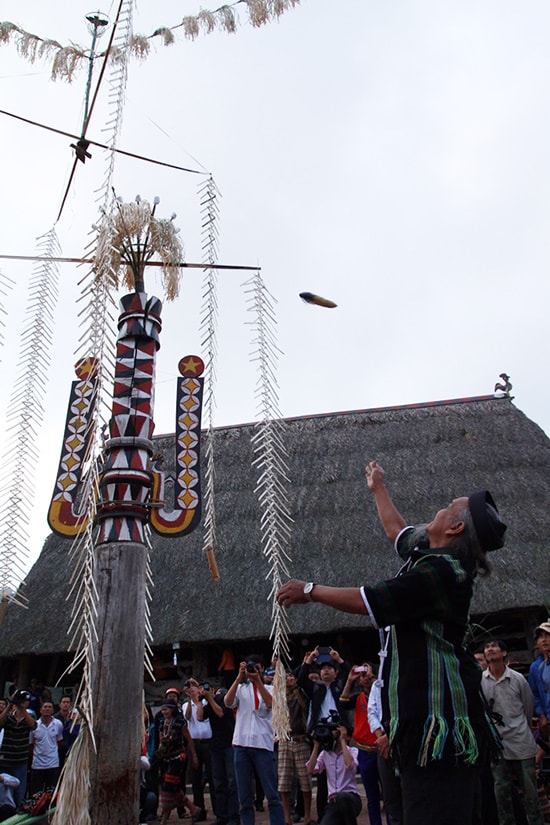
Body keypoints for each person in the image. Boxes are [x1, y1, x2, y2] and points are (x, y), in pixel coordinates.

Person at [277, 459, 507, 825]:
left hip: (438, 725)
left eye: (450, 505)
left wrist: (310, 590)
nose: (443, 505)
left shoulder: (442, 572)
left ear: (455, 527)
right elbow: (397, 533)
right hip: (427, 725)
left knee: (435, 812)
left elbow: (371, 600)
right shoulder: (431, 555)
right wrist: (378, 487)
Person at [482, 639, 544, 825]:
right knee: (502, 792)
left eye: (494, 646)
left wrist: (522, 728)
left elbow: (527, 706)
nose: (490, 649)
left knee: (530, 792)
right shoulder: (482, 681)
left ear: (504, 653)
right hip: (498, 743)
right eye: (487, 647)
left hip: (520, 739)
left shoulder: (517, 679)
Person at [224, 657, 285, 825]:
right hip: (241, 743)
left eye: (256, 668)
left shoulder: (271, 688)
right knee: (244, 795)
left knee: (272, 793)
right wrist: (238, 678)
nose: (253, 671)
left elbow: (272, 704)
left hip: (262, 744)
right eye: (250, 668)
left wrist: (257, 681)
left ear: (263, 669)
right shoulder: (241, 689)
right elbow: (228, 702)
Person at [297, 646, 350, 821]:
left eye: (329, 668)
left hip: (339, 732)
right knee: (321, 780)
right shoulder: (315, 689)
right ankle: (323, 817)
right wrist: (310, 659)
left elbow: (351, 675)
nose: (326, 671)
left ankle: (342, 814)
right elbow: (300, 679)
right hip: (321, 732)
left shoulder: (341, 687)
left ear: (335, 673)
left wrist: (339, 659)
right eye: (323, 669)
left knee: (343, 775)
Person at [339, 663, 383, 825]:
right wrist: (350, 681)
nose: (365, 679)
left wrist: (373, 678)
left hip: (381, 747)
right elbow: (342, 702)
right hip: (365, 750)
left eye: (369, 676)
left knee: (390, 793)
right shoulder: (358, 697)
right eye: (363, 676)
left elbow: (377, 688)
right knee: (371, 795)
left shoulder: (380, 694)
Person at [198, 686, 239, 825]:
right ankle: (222, 816)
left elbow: (221, 713)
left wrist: (210, 697)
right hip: (216, 747)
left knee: (232, 782)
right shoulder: (209, 704)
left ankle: (234, 817)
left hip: (229, 745)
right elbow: (199, 717)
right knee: (218, 783)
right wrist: (197, 701)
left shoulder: (224, 700)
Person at [306, 722, 361, 825]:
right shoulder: (326, 754)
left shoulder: (353, 751)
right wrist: (316, 745)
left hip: (351, 799)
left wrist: (342, 741)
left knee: (342, 797)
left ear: (348, 737)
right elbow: (310, 770)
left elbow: (349, 764)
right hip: (333, 802)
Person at [156, 699, 200, 825]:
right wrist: (159, 754)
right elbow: (161, 742)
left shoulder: (180, 723)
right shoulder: (162, 723)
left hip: (178, 759)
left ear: (172, 710)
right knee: (173, 788)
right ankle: (194, 809)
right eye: (162, 709)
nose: (163, 712)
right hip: (166, 759)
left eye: (166, 709)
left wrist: (194, 756)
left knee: (168, 787)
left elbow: (189, 740)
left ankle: (164, 818)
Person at [277, 672, 312, 825]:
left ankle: (307, 815)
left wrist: (296, 689)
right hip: (285, 740)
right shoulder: (279, 697)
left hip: (301, 738)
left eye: (292, 676)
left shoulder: (302, 693)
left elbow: (305, 707)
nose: (289, 679)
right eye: (286, 677)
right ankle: (287, 816)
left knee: (305, 780)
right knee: (284, 780)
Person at [183, 680, 214, 821]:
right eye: (192, 690)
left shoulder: (207, 703)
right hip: (194, 743)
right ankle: (199, 811)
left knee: (213, 777)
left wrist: (200, 698)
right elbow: (188, 717)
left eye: (196, 689)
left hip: (208, 742)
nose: (194, 691)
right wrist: (191, 700)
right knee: (195, 778)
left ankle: (218, 809)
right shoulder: (186, 705)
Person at [0, 689, 36, 806]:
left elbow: (33, 726)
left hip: (20, 762)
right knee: (2, 793)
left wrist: (22, 709)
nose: (24, 703)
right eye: (23, 701)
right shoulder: (8, 718)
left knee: (19, 794)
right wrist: (10, 704)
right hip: (5, 761)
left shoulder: (29, 718)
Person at [29, 701, 63, 794]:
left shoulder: (58, 724)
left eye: (49, 707)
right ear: (40, 710)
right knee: (36, 792)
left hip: (53, 763)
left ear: (53, 710)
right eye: (45, 707)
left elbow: (59, 741)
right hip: (37, 764)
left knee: (51, 791)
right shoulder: (34, 725)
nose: (47, 709)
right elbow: (31, 744)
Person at [528, 622, 550, 742]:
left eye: (547, 635)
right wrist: (542, 716)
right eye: (540, 637)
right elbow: (535, 693)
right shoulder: (539, 667)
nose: (544, 640)